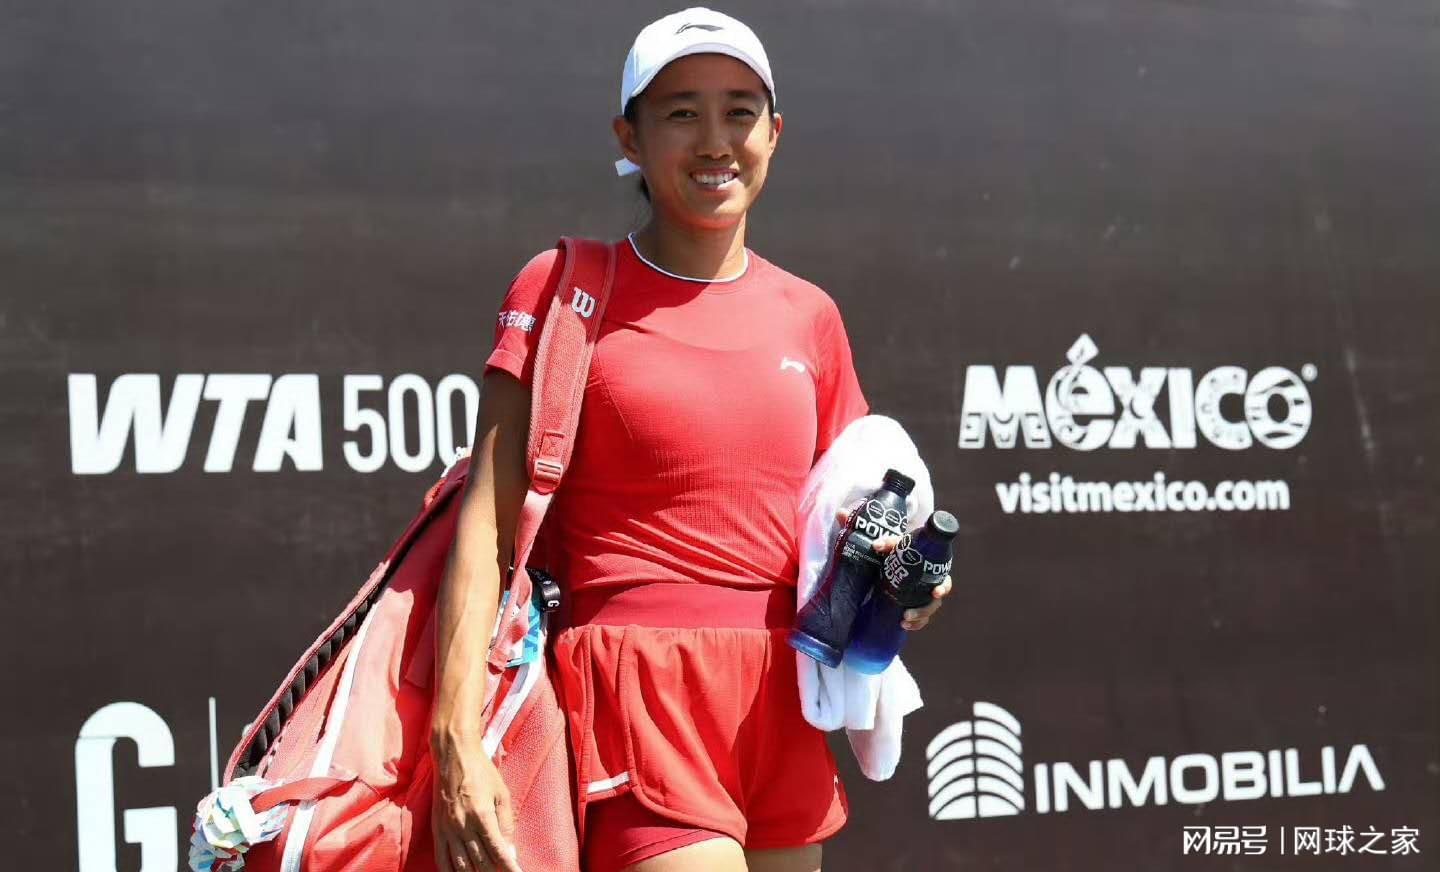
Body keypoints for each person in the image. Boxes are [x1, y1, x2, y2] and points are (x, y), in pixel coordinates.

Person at [430, 8, 951, 872]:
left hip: (784, 699)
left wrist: (902, 583)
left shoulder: (810, 315)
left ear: (774, 133)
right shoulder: (562, 287)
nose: (715, 141)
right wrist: (455, 736)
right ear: (628, 138)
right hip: (639, 690)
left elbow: (849, 519)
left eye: (739, 112)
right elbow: (485, 523)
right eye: (681, 113)